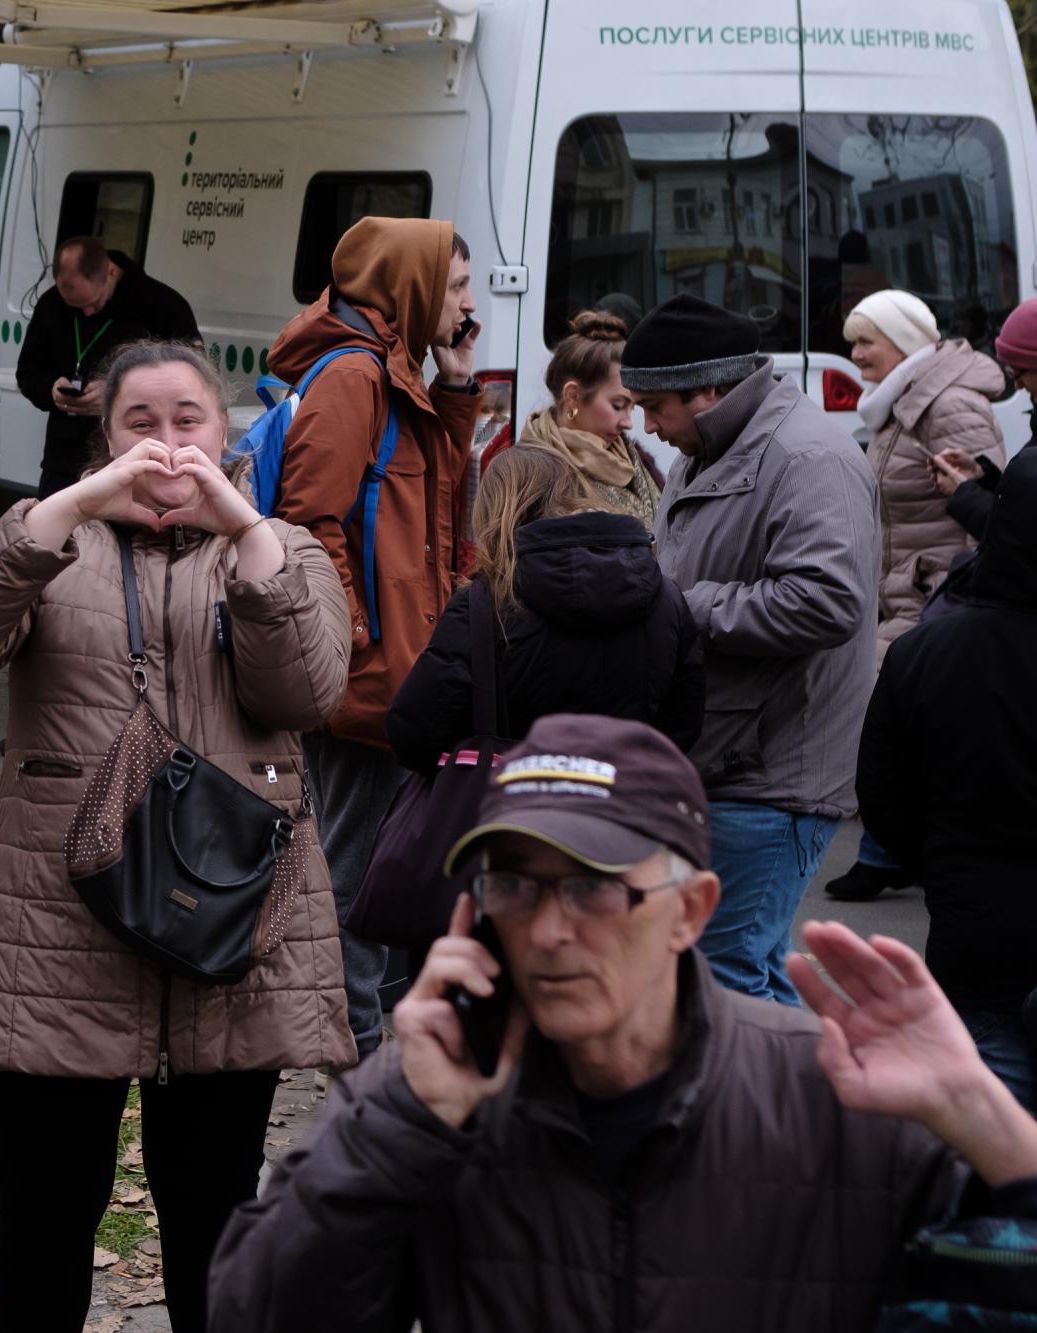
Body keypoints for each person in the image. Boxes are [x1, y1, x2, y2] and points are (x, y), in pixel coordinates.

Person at [208, 713, 1037, 1332]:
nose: (547, 931)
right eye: (512, 884)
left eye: (593, 887)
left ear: (691, 911)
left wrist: (984, 1117)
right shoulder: (432, 1096)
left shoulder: (841, 1092)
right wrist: (401, 1122)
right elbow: (257, 1310)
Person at [0, 340, 356, 1333]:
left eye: (188, 421)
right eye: (139, 424)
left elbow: (308, 692)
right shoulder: (51, 542)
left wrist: (242, 531)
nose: (167, 446)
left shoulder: (277, 548)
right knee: (43, 1214)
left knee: (214, 1218)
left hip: (231, 928)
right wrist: (64, 511)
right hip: (60, 931)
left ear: (225, 428)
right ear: (100, 434)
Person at [263, 217, 482, 1055]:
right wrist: (352, 639)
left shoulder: (401, 370)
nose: (467, 304)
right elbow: (309, 521)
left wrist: (457, 388)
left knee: (392, 864)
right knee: (351, 873)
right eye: (456, 286)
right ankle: (350, 1046)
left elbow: (439, 503)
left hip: (405, 666)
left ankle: (373, 1029)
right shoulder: (354, 376)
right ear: (414, 287)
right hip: (369, 675)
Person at [623, 293, 879, 1005]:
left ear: (709, 390)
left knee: (722, 978)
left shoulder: (807, 458)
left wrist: (680, 606)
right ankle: (824, 1106)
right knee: (750, 968)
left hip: (775, 769)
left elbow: (828, 600)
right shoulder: (714, 444)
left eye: (656, 407)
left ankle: (790, 1113)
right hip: (730, 755)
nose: (648, 426)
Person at [857, 447, 1037, 1125]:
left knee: (995, 1153)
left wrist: (943, 862)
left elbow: (885, 798)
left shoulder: (927, 650)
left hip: (974, 931)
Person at [822, 290, 1004, 904]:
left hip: (938, 594)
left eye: (864, 340)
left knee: (887, 717)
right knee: (900, 724)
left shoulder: (947, 404)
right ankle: (896, 849)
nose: (854, 353)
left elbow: (995, 512)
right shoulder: (902, 401)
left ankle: (893, 850)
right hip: (902, 590)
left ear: (900, 342)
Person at [386, 445, 703, 772]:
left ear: (494, 513)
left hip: (510, 811)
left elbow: (412, 733)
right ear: (576, 493)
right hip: (626, 808)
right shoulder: (663, 596)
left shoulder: (485, 606)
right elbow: (685, 724)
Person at [13, 237, 201, 497]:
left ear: (110, 271)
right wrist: (51, 390)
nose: (87, 313)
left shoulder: (163, 306)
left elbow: (192, 383)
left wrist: (117, 395)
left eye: (94, 303)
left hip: (133, 465)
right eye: (75, 308)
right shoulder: (51, 304)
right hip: (63, 463)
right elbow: (27, 373)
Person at [931, 295, 1037, 537]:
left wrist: (964, 493)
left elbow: (1027, 538)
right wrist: (983, 477)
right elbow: (1034, 501)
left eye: (1018, 371)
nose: (1017, 384)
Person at [501, 310, 664, 526]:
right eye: (617, 406)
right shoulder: (527, 477)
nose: (628, 423)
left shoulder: (638, 460)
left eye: (631, 408)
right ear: (573, 396)